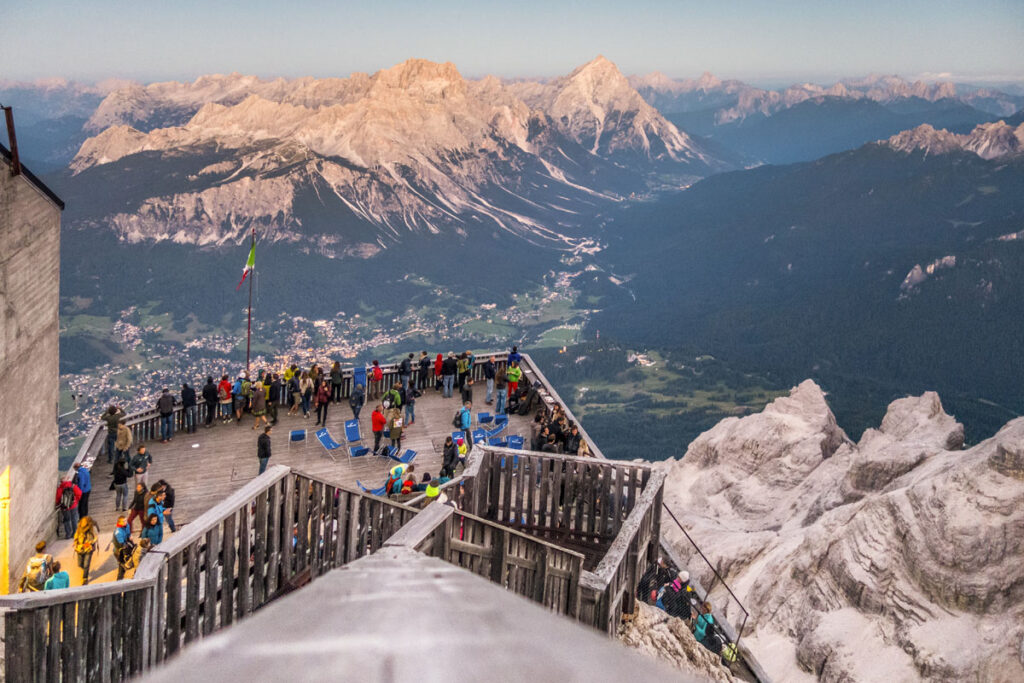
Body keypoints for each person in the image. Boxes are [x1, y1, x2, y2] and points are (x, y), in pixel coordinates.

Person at [73, 515, 100, 584]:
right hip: (80, 548)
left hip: (88, 549)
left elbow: (96, 537)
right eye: (82, 522)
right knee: (80, 564)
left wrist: (91, 543)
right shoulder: (79, 527)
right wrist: (75, 542)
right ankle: (85, 570)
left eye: (84, 522)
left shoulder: (92, 528)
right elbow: (76, 535)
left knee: (86, 564)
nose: (83, 523)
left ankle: (85, 578)